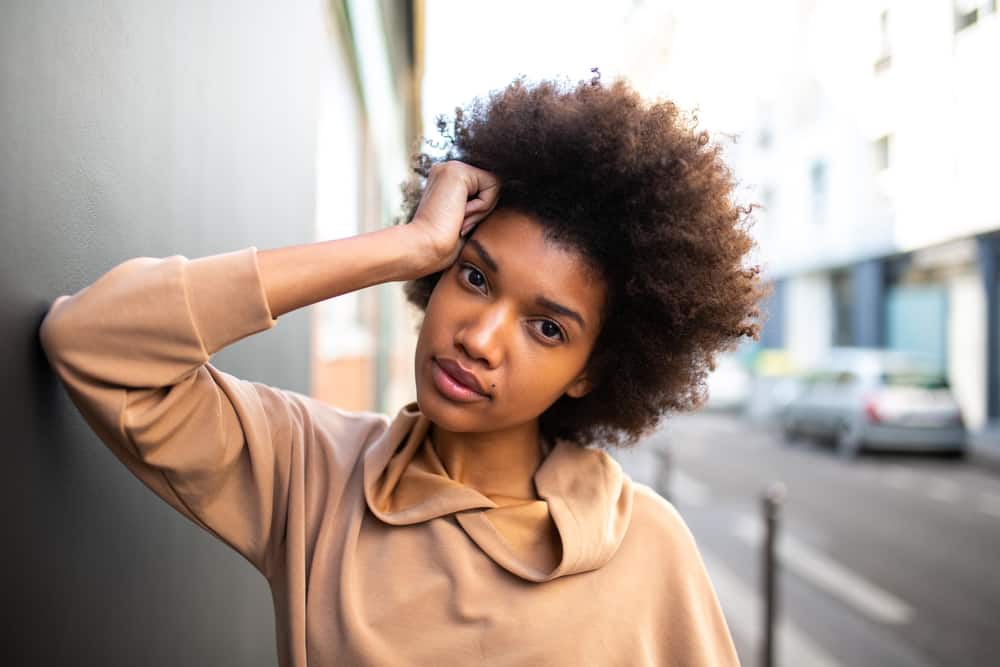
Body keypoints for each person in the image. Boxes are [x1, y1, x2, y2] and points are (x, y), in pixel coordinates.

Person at [40, 74, 765, 666]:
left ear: (590, 371)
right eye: (475, 278)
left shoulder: (647, 547)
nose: (479, 337)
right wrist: (404, 244)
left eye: (546, 327)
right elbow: (91, 341)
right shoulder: (312, 472)